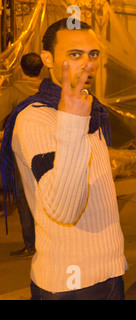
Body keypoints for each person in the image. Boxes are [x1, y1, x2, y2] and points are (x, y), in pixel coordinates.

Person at [0, 18, 127, 300]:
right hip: (69, 283)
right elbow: (66, 210)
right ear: (47, 58)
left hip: (107, 273)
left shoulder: (89, 110)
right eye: (74, 54)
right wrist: (71, 121)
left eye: (93, 54)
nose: (88, 63)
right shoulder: (36, 118)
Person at [0, 53, 43, 257]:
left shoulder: (13, 91)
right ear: (41, 69)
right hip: (50, 150)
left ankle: (31, 244)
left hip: (23, 150)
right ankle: (49, 241)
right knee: (46, 195)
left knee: (25, 197)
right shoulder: (50, 90)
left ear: (21, 68)